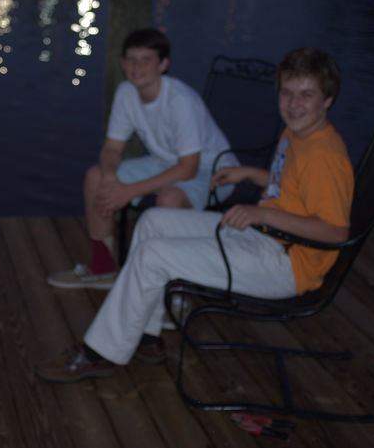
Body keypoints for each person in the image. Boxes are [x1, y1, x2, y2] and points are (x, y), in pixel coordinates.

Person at [35, 46, 353, 378]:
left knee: (153, 256)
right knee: (154, 221)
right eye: (287, 92)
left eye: (306, 95)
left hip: (286, 265)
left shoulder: (324, 155)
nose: (293, 103)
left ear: (327, 100)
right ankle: (147, 334)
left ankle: (98, 353)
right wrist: (251, 174)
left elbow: (335, 232)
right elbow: (292, 186)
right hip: (265, 238)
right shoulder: (300, 132)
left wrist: (264, 215)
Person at [47, 28, 236, 290]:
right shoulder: (126, 92)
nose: (137, 67)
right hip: (164, 162)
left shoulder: (180, 100)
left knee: (169, 199)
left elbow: (189, 168)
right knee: (95, 177)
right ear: (122, 63)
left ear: (163, 65)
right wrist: (110, 176)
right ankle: (103, 268)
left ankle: (173, 284)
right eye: (131, 59)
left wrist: (128, 192)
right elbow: (112, 147)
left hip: (212, 171)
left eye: (146, 59)